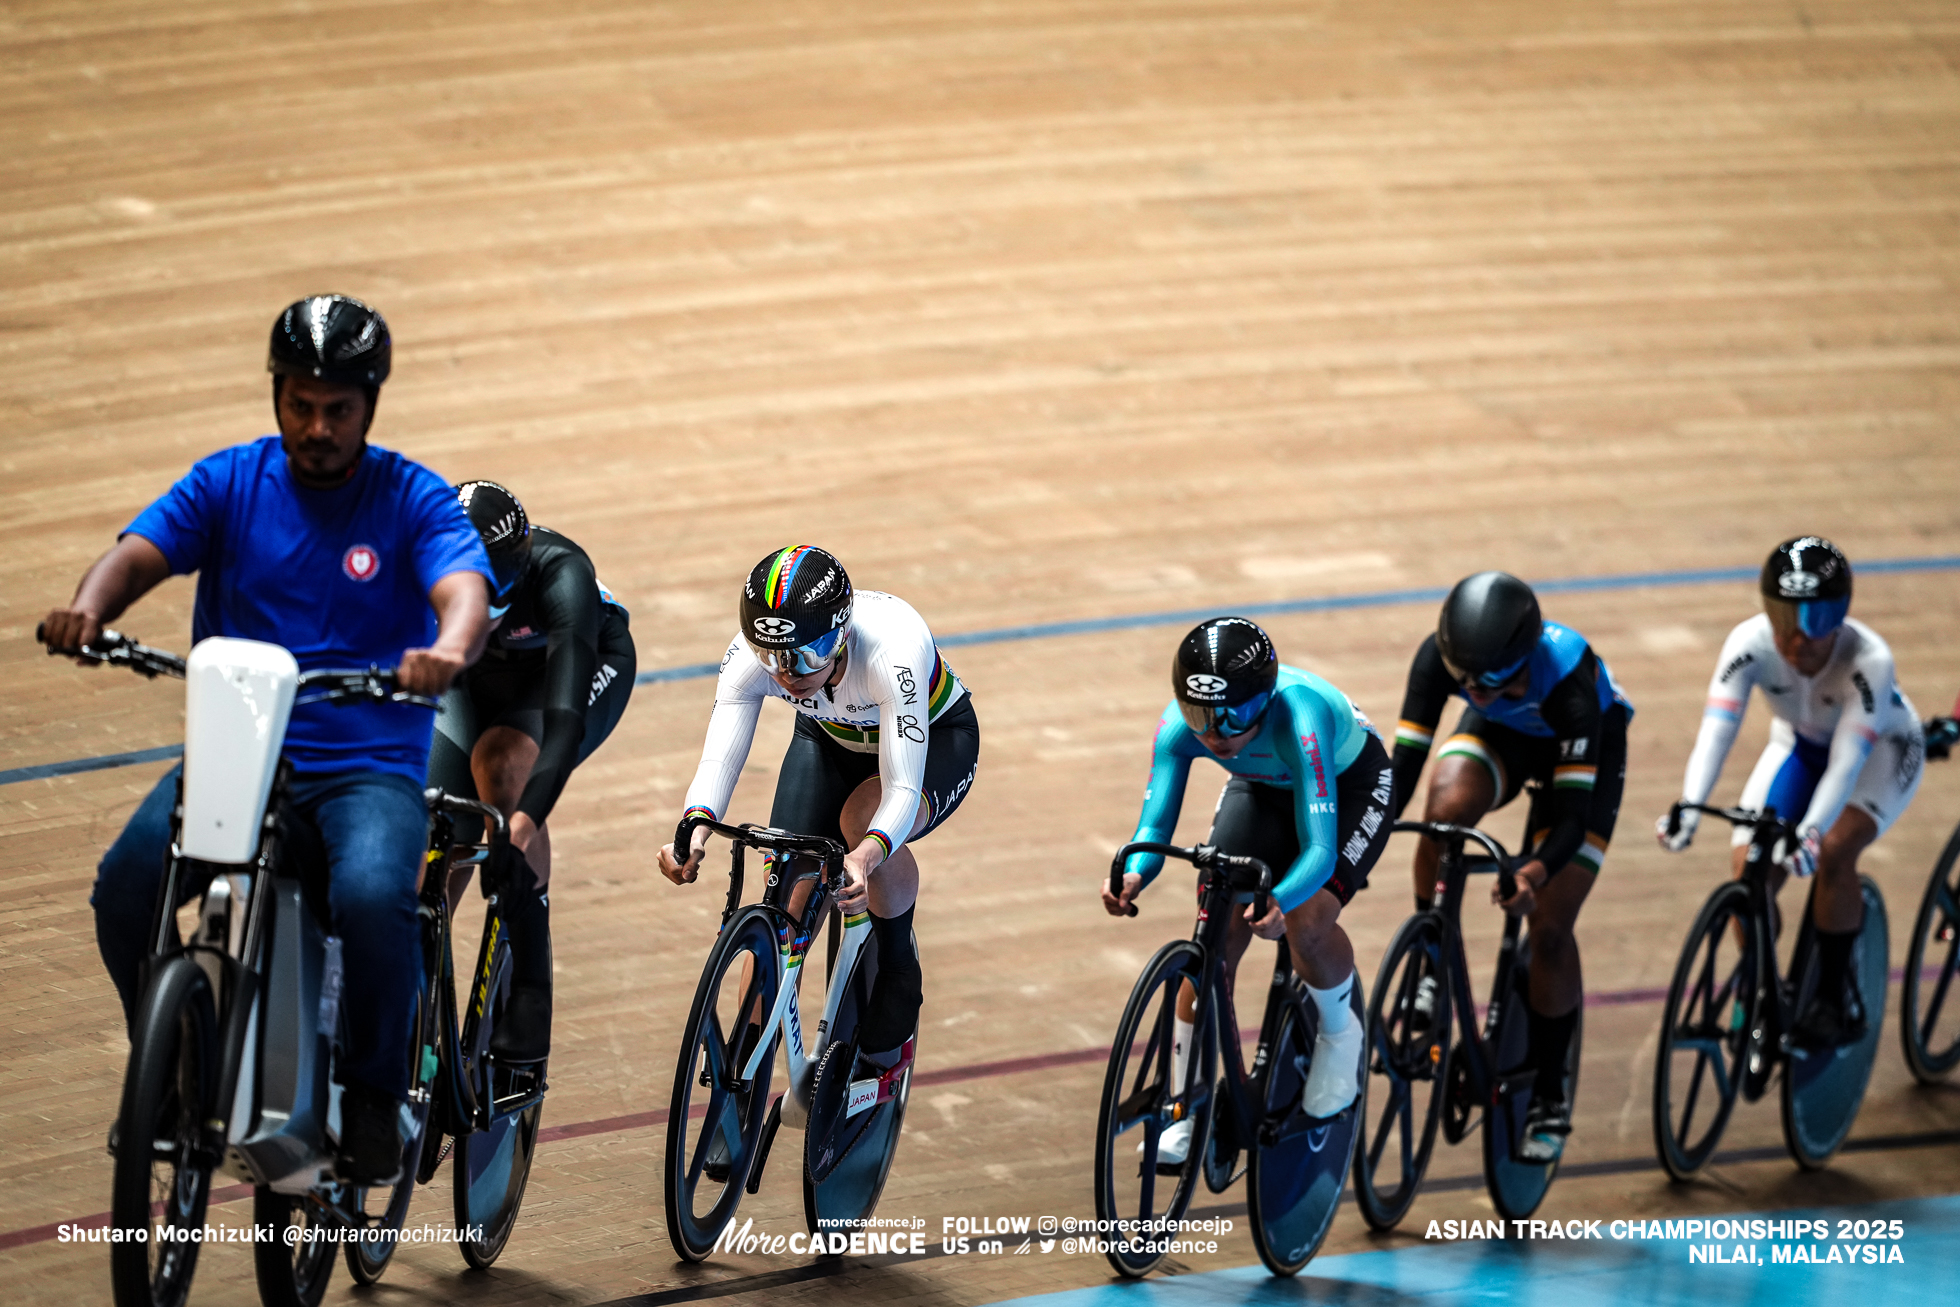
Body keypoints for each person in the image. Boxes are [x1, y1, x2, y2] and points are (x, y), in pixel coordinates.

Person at [41, 295, 493, 1184]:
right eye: (299, 404)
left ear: (370, 405)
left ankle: (371, 1096)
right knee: (124, 889)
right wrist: (90, 610)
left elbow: (462, 589)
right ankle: (161, 1064)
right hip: (236, 752)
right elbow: (139, 551)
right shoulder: (230, 482)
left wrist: (447, 649)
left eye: (337, 409)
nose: (316, 426)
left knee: (372, 897)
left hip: (365, 765)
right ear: (277, 393)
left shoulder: (411, 498)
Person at [658, 545, 979, 1072]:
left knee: (861, 821)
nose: (787, 673)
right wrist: (695, 824)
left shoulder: (892, 648)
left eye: (807, 655)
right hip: (828, 741)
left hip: (935, 741)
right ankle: (743, 1073)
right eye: (773, 657)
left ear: (843, 633)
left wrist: (866, 856)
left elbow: (900, 789)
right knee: (787, 886)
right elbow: (720, 755)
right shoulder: (753, 656)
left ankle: (898, 963)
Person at [1103, 617, 1394, 1164]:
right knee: (1212, 937)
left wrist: (1282, 898)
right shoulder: (1178, 728)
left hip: (1348, 787)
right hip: (1261, 788)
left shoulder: (1299, 715)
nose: (1213, 733)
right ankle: (1183, 1106)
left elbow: (1319, 850)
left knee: (1308, 921)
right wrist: (1136, 873)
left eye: (1232, 716)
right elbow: (1154, 828)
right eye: (1198, 716)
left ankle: (1339, 1033)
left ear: (1262, 700)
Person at [1390, 572, 1631, 1163]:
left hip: (1583, 753)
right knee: (1442, 817)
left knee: (1548, 928)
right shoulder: (1451, 666)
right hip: (1506, 738)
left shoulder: (1570, 682)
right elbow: (1401, 774)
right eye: (1464, 677)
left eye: (1491, 678)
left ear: (1523, 656)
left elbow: (1572, 823)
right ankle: (1430, 955)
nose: (1475, 690)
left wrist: (1533, 873)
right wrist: (1356, 843)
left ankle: (1551, 1095)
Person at [1657, 537, 1922, 1047]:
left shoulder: (1870, 661)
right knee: (1750, 870)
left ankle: (1830, 999)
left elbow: (1845, 766)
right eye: (1784, 623)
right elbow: (1717, 730)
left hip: (1879, 752)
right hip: (1799, 747)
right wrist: (1688, 806)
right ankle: (1761, 987)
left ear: (1840, 618)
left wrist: (1813, 834)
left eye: (1815, 629)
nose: (1798, 645)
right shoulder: (1749, 642)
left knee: (1837, 851)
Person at [428, 480, 636, 1061]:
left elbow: (563, 726)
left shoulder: (561, 575)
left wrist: (518, 831)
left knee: (503, 766)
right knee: (434, 820)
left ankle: (530, 985)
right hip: (472, 680)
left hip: (567, 673)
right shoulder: (414, 558)